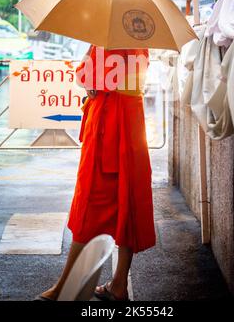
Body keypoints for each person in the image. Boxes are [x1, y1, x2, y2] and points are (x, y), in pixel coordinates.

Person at [38, 44, 156, 301]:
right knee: (129, 201)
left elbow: (86, 77)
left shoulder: (108, 37)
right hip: (132, 122)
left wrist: (84, 64)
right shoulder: (140, 39)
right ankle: (119, 285)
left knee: (90, 204)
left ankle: (65, 289)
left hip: (108, 126)